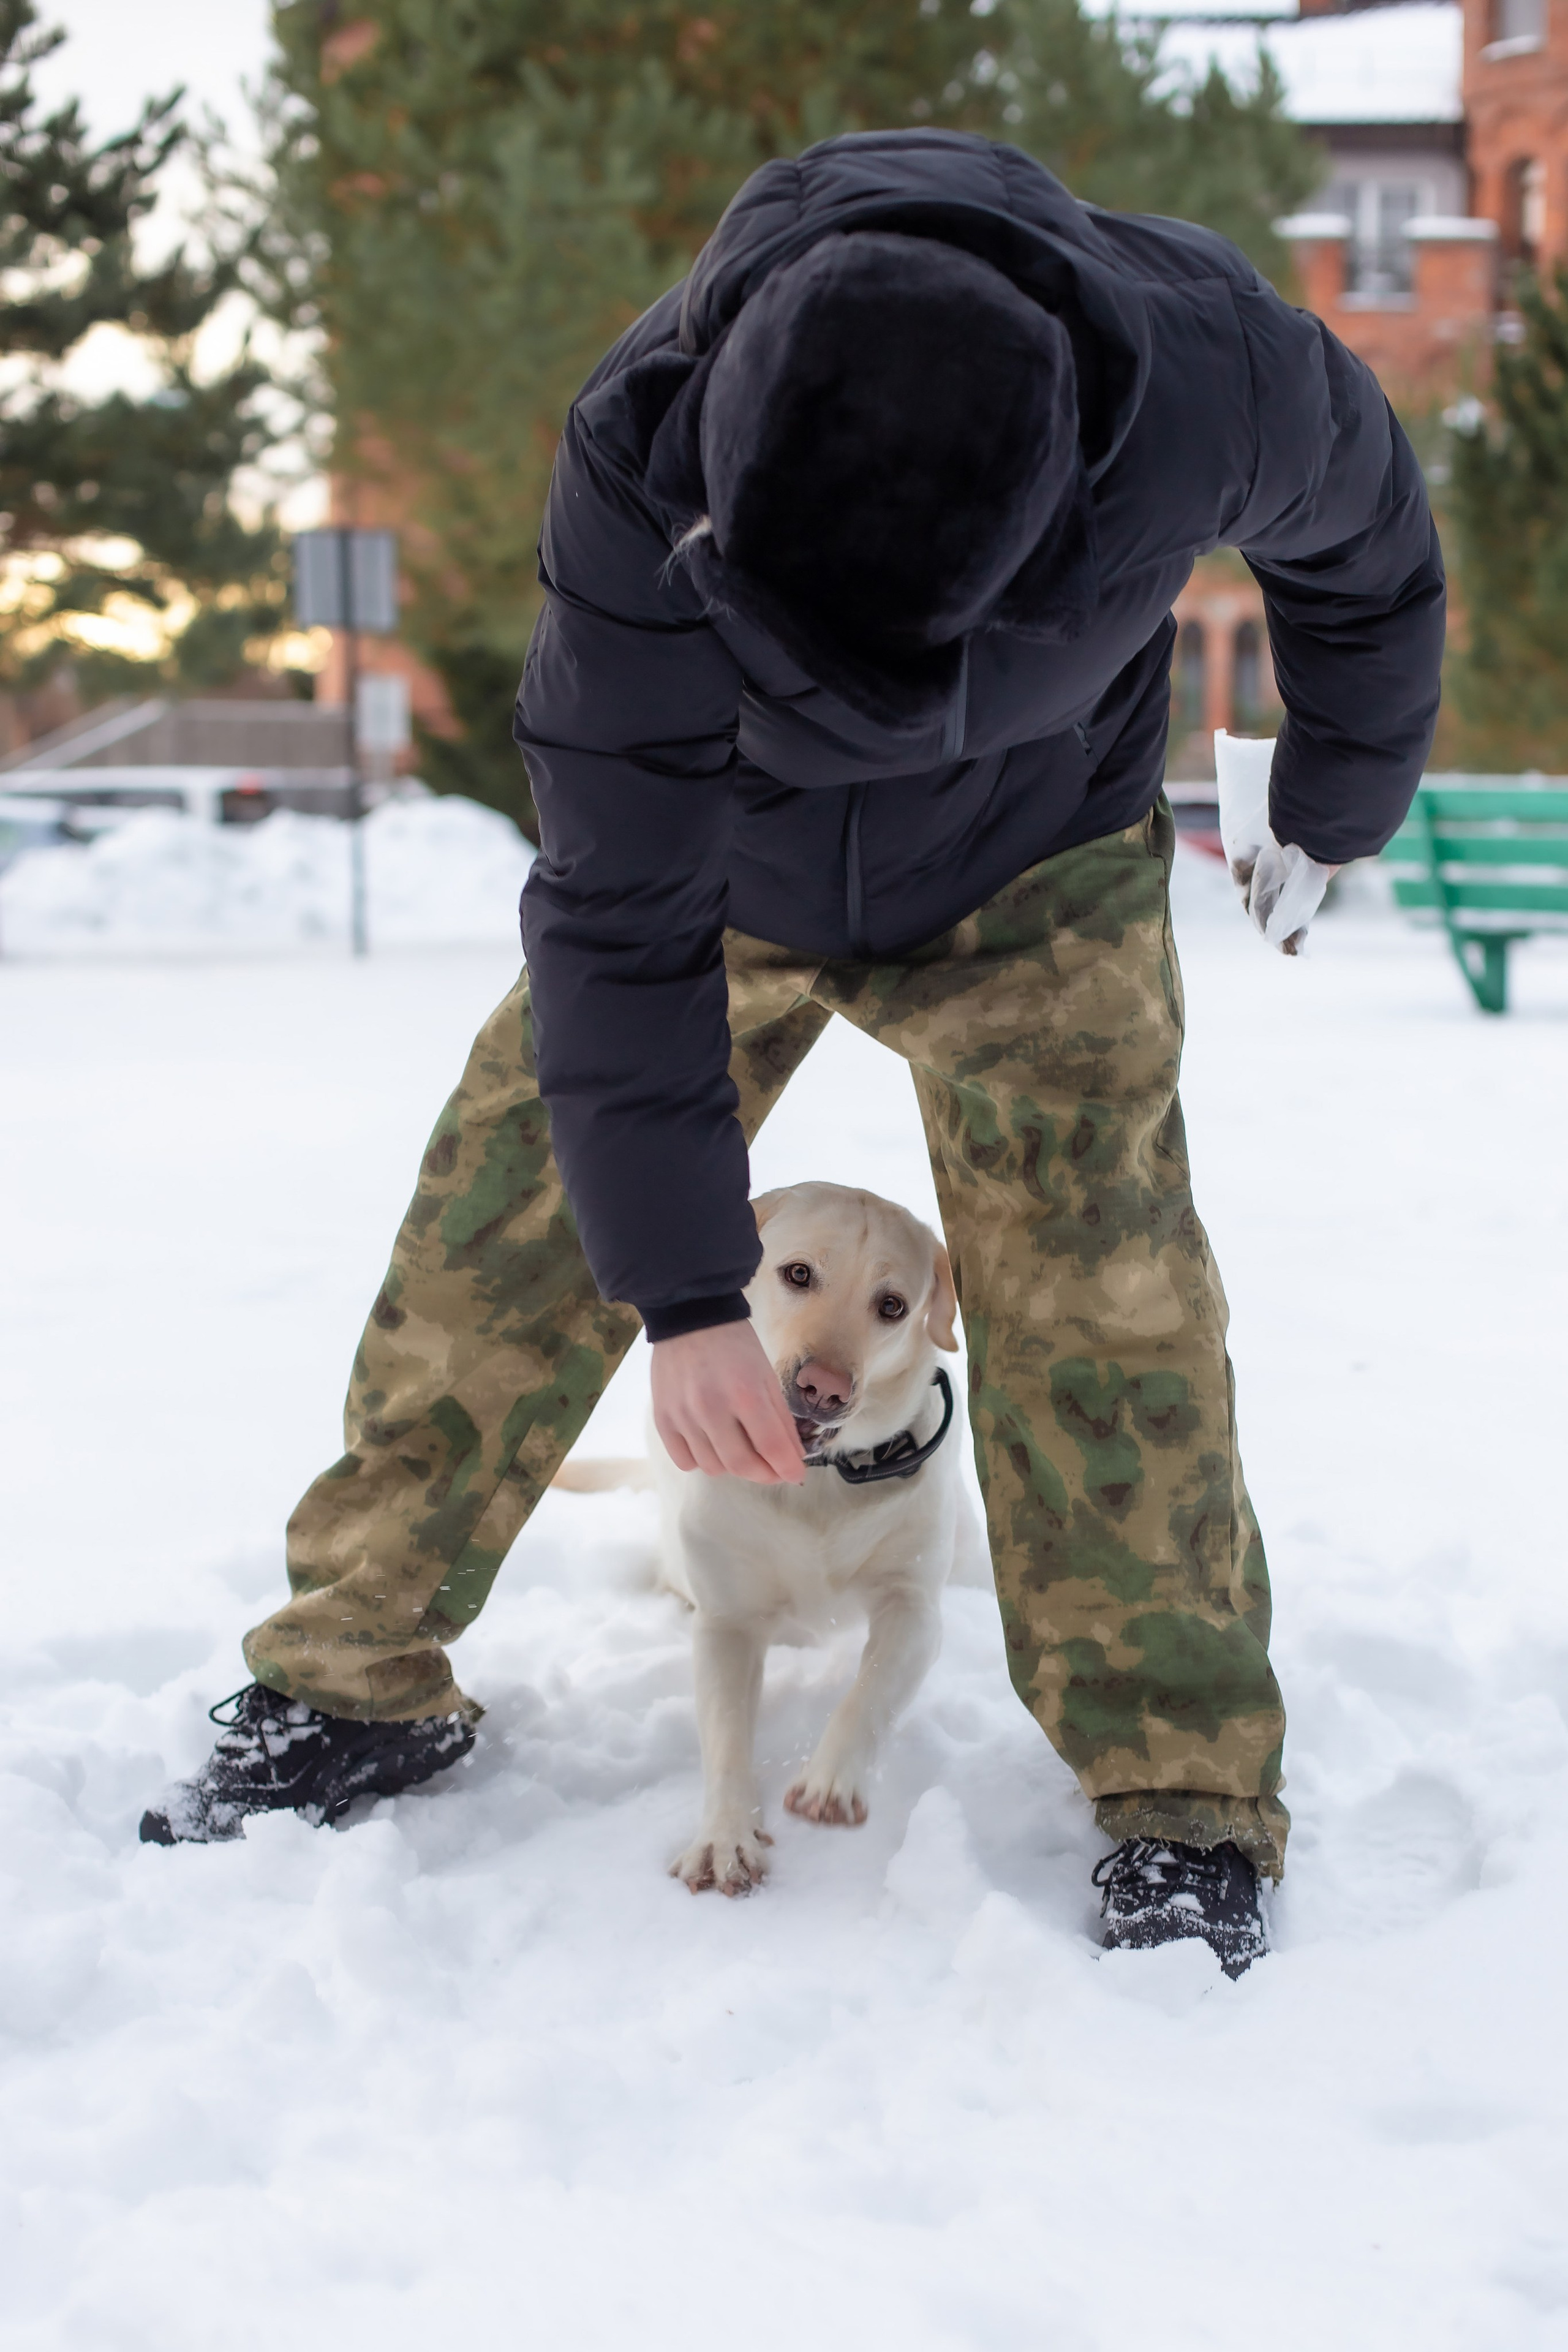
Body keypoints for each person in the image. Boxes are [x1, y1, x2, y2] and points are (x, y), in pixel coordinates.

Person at [143, 129, 1442, 1975]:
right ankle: (356, 1676)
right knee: (506, 1217)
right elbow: (609, 917)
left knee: (1110, 1303)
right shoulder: (637, 455)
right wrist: (683, 1298)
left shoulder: (1215, 381)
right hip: (719, 879)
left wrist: (1341, 774)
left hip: (1035, 864)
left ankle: (1183, 1791)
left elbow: (1372, 546)